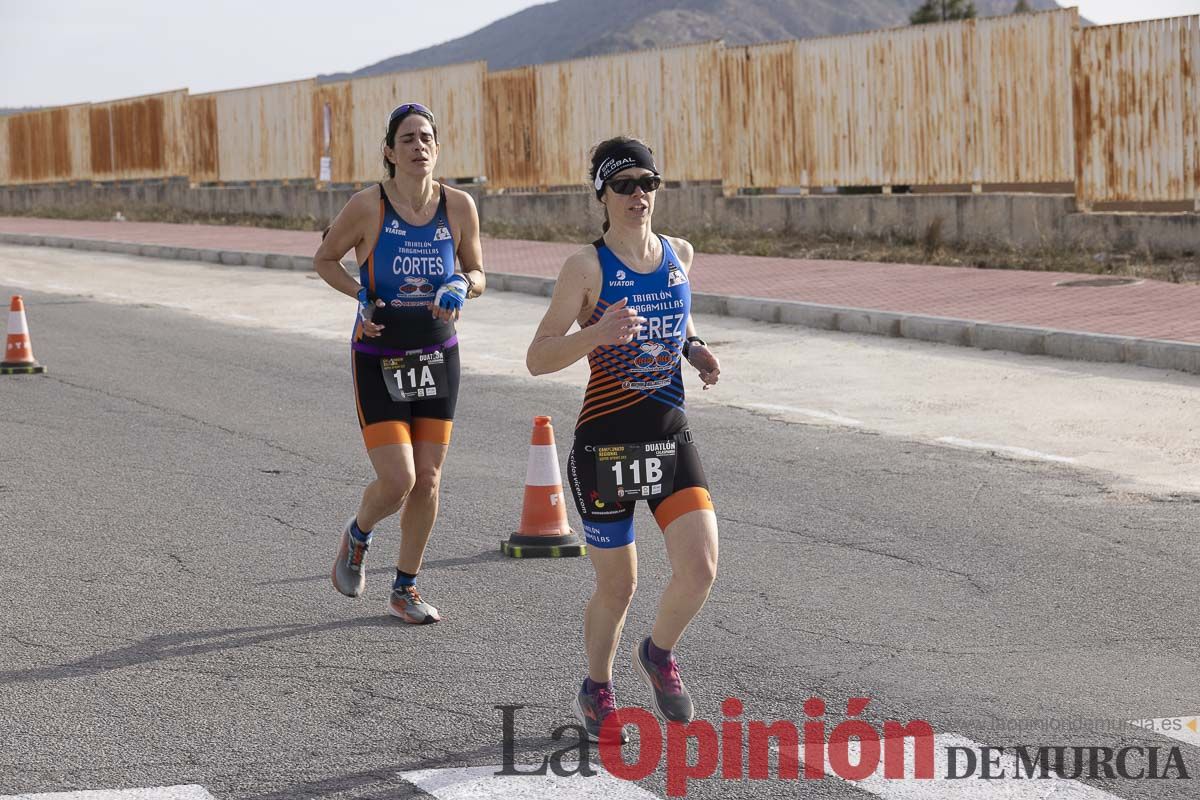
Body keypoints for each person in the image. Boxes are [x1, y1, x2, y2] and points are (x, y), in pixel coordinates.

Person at [525, 137, 721, 742]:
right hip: (605, 446)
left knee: (701, 568)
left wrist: (693, 348)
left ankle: (658, 653)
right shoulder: (586, 268)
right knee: (620, 585)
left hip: (668, 437)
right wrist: (598, 333)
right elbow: (538, 357)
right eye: (625, 185)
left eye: (649, 184)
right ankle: (597, 688)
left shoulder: (679, 253)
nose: (639, 195)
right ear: (603, 195)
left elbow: (677, 314)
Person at [314, 102, 485, 624]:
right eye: (407, 138)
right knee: (399, 480)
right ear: (389, 151)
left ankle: (404, 588)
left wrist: (462, 283)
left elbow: (478, 271)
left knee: (429, 481)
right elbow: (325, 259)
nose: (419, 146)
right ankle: (359, 533)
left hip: (437, 353)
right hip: (379, 353)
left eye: (427, 137)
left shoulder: (459, 206)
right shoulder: (368, 206)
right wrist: (360, 296)